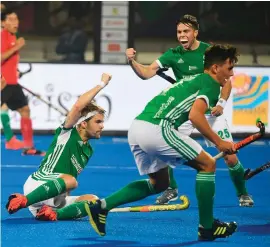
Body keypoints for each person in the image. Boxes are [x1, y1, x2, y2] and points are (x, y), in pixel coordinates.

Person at [84, 44, 239, 241]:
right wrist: (219, 143)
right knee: (208, 164)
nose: (232, 74)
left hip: (138, 127)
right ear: (216, 68)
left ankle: (101, 206)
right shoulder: (210, 84)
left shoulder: (193, 79)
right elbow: (195, 116)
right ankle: (207, 227)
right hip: (158, 128)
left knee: (159, 184)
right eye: (230, 68)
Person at [125, 14, 253, 207]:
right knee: (163, 149)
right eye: (179, 32)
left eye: (186, 31)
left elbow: (226, 81)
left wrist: (221, 104)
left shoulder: (209, 52)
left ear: (195, 32)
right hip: (184, 112)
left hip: (210, 111)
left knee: (230, 156)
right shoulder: (172, 55)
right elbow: (146, 73)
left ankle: (242, 193)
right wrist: (132, 61)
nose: (182, 35)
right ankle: (171, 189)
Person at [6, 73, 112, 220]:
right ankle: (24, 200)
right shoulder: (67, 132)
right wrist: (102, 84)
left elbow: (67, 183)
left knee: (93, 201)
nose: (102, 126)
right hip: (37, 186)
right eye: (98, 122)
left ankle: (53, 214)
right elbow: (78, 106)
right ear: (83, 123)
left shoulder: (88, 150)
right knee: (72, 181)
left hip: (53, 199)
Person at [1, 8, 44, 155]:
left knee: (25, 110)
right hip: (4, 82)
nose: (15, 22)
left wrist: (15, 71)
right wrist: (17, 47)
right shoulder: (2, 36)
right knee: (2, 110)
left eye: (16, 19)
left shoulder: (14, 36)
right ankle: (10, 140)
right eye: (11, 19)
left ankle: (28, 147)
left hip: (13, 82)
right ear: (2, 23)